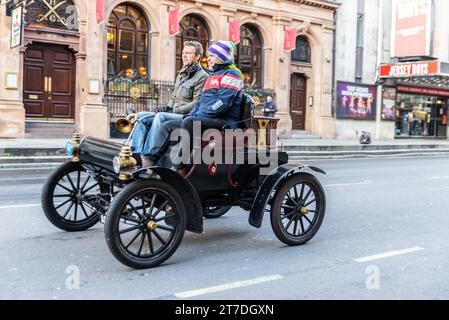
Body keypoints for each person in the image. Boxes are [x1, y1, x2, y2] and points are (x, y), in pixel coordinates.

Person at [140, 40, 244, 167]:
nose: (208, 58)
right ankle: (149, 161)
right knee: (167, 125)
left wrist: (198, 115)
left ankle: (179, 166)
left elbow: (222, 104)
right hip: (208, 118)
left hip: (225, 122)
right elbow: (201, 101)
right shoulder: (213, 75)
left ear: (220, 57)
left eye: (211, 55)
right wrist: (193, 113)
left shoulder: (232, 74)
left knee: (190, 122)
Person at [130, 41, 208, 163]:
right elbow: (174, 97)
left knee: (160, 117)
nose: (184, 55)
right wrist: (166, 107)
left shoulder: (202, 76)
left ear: (197, 56)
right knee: (141, 118)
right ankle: (136, 155)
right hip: (172, 112)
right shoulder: (182, 74)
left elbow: (196, 103)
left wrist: (174, 110)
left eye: (188, 53)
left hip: (186, 117)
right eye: (183, 52)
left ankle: (148, 157)